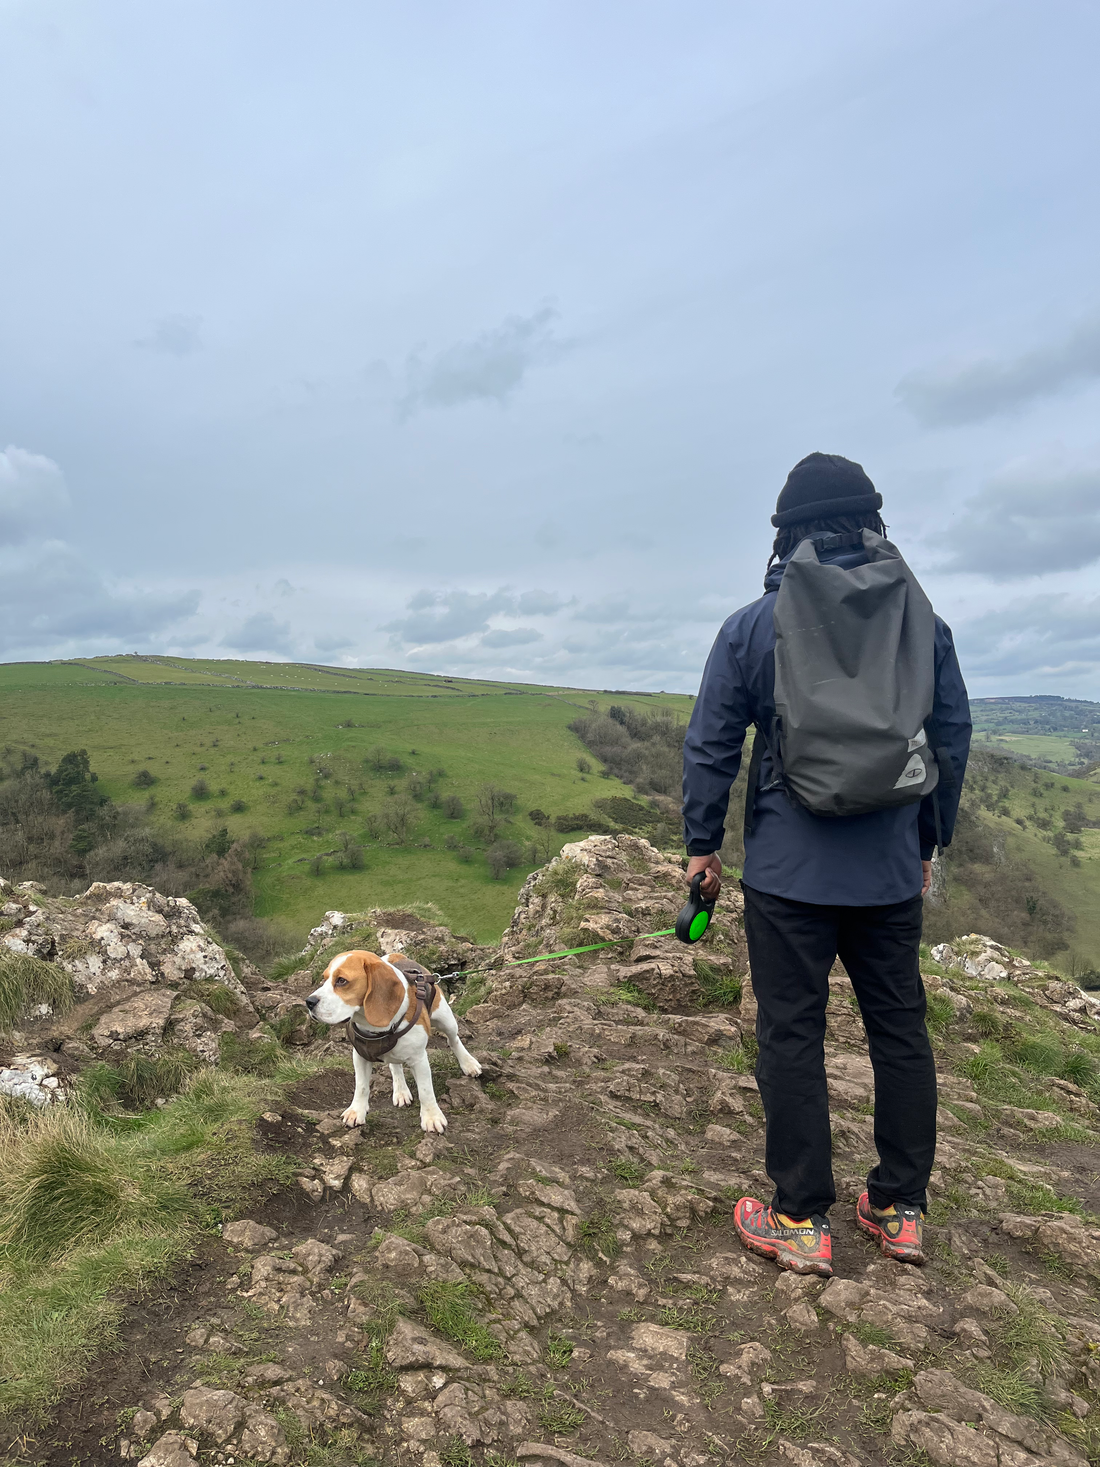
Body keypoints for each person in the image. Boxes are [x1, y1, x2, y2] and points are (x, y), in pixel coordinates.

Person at [682, 453, 971, 1277]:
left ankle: (802, 1217)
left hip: (788, 878)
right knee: (900, 1032)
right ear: (872, 525)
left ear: (786, 536)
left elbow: (711, 745)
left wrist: (703, 847)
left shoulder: (750, 627)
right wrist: (925, 843)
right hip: (886, 873)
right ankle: (899, 1206)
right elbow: (950, 737)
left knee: (792, 1035)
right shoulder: (924, 623)